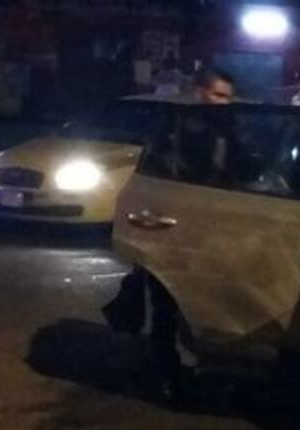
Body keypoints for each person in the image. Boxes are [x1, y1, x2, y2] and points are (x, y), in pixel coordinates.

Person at [103, 66, 235, 400]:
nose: (223, 103)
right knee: (166, 305)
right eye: (217, 95)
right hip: (172, 227)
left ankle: (189, 366)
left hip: (208, 229)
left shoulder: (226, 128)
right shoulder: (175, 128)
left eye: (227, 97)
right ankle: (166, 372)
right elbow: (162, 179)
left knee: (199, 304)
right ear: (198, 91)